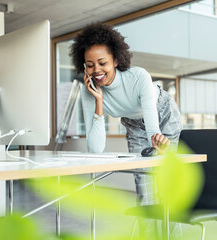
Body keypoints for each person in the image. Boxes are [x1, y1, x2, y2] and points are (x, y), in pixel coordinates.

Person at [70, 22, 182, 239]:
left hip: (163, 117)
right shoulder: (89, 92)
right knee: (145, 188)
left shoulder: (138, 76)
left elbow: (152, 124)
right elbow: (95, 148)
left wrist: (157, 141)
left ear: (116, 60)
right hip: (133, 125)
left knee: (167, 187)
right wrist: (99, 102)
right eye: (90, 65)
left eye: (102, 62)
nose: (96, 70)